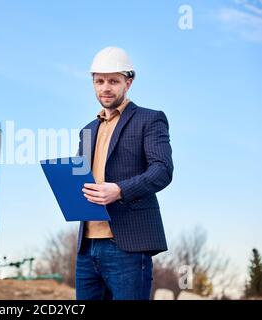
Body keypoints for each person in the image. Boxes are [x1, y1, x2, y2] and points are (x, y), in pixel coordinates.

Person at [77, 47, 174, 300]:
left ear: (128, 83)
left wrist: (119, 190)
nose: (105, 87)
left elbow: (162, 170)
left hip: (128, 245)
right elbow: (84, 181)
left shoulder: (150, 119)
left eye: (113, 81)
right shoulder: (87, 131)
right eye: (99, 81)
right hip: (86, 247)